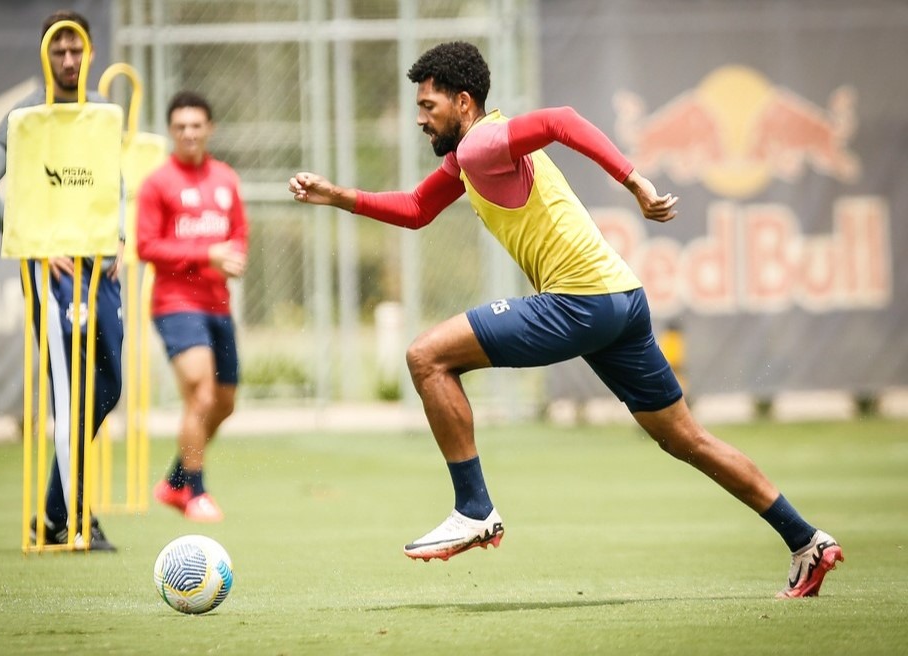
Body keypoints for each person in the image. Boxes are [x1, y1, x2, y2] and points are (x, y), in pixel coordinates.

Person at [289, 41, 843, 598]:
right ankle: (806, 541)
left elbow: (561, 120)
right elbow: (415, 210)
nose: (419, 118)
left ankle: (475, 508)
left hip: (579, 302)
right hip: (621, 298)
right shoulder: (472, 154)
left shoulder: (481, 143)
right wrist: (338, 195)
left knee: (426, 356)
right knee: (686, 439)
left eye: (428, 106)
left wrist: (633, 181)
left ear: (463, 102)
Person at [0, 10, 122, 550]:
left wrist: (117, 237)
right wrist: (37, 240)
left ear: (90, 52)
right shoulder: (25, 115)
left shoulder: (102, 112)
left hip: (102, 266)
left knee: (109, 384)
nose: (69, 60)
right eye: (59, 50)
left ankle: (56, 508)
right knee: (70, 390)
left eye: (76, 49)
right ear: (44, 55)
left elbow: (111, 186)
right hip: (52, 275)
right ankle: (70, 514)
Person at [136, 91, 249, 522]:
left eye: (196, 125)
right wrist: (207, 255)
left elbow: (238, 232)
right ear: (171, 131)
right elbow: (147, 245)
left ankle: (175, 481)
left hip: (217, 305)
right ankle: (196, 494)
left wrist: (234, 257)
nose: (188, 133)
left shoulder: (225, 178)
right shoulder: (158, 184)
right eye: (180, 126)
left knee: (224, 402)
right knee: (200, 392)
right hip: (175, 303)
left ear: (209, 129)